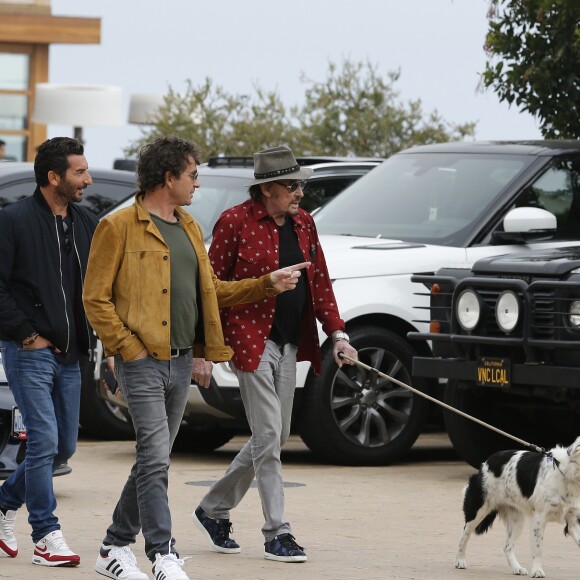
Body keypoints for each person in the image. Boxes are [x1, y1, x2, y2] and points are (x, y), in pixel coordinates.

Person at [82, 136, 309, 580]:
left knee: (154, 456)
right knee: (155, 457)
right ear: (168, 178)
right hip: (142, 361)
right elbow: (95, 299)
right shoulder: (119, 227)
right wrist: (127, 347)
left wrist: (265, 284)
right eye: (192, 175)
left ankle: (112, 546)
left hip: (181, 360)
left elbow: (212, 293)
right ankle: (162, 552)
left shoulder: (187, 225)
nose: (197, 184)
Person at [192, 145, 358, 563]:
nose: (299, 192)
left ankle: (213, 507)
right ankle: (276, 533)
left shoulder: (304, 224)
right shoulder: (234, 222)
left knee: (276, 436)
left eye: (300, 184)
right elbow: (209, 289)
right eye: (291, 185)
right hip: (251, 341)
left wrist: (337, 333)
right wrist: (203, 350)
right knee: (268, 436)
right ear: (268, 189)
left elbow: (319, 284)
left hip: (289, 342)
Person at [0, 137, 97, 566]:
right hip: (30, 350)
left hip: (71, 353)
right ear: (53, 176)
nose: (87, 179)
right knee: (43, 441)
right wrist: (24, 333)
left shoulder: (86, 222)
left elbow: (95, 288)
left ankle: (4, 501)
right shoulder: (13, 220)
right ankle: (46, 535)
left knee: (64, 447)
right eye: (79, 172)